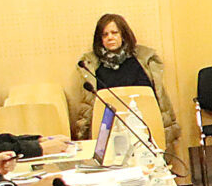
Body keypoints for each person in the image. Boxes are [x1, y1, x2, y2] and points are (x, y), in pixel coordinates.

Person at [69, 13, 179, 154]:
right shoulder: (91, 68)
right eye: (105, 34)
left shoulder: (144, 61)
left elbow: (160, 100)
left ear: (123, 34)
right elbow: (89, 106)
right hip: (110, 134)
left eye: (114, 32)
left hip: (145, 129)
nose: (110, 37)